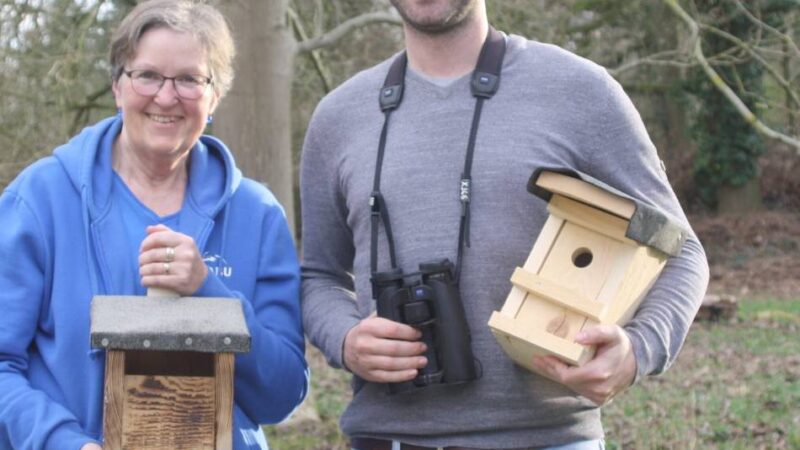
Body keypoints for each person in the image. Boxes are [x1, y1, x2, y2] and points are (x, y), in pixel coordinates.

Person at [299, 0, 709, 449]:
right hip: (387, 438)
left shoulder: (579, 89)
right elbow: (319, 275)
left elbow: (681, 249)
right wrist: (346, 338)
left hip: (550, 438)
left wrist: (637, 352)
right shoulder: (337, 116)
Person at [0, 1, 308, 449]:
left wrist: (210, 293)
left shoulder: (256, 214)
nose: (166, 97)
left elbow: (282, 396)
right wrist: (63, 442)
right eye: (147, 75)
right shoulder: (40, 199)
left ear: (215, 95)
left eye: (189, 79)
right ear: (117, 86)